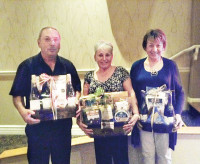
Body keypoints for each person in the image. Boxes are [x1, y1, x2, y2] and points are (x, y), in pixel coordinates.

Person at [9, 27, 81, 164]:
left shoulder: (67, 66)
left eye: (56, 39)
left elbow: (77, 89)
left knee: (62, 161)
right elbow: (17, 95)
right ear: (39, 43)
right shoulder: (27, 66)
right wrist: (23, 111)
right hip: (38, 128)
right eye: (47, 39)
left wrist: (75, 101)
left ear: (59, 44)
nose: (52, 43)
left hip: (62, 127)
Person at [77, 40, 140, 164]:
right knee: (102, 160)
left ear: (112, 56)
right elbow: (84, 101)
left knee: (121, 160)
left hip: (119, 126)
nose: (104, 58)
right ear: (95, 57)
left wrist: (136, 113)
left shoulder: (121, 72)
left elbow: (131, 92)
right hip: (98, 129)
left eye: (107, 55)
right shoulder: (89, 76)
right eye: (100, 55)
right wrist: (80, 122)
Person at [130, 29, 185, 164]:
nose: (154, 49)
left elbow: (180, 92)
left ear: (163, 46)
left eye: (158, 45)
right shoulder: (136, 66)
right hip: (144, 121)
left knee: (164, 158)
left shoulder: (170, 65)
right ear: (145, 46)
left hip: (165, 121)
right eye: (151, 45)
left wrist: (178, 114)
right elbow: (131, 93)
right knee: (147, 156)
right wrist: (134, 112)